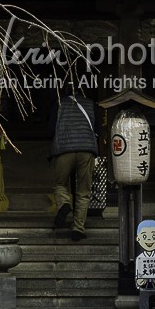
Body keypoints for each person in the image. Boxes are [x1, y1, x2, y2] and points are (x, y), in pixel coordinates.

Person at [50, 88, 100, 240]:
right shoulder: (91, 104)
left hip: (64, 149)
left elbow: (50, 127)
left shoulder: (59, 103)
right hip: (86, 148)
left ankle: (64, 204)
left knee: (60, 184)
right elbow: (97, 129)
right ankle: (78, 228)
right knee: (83, 191)